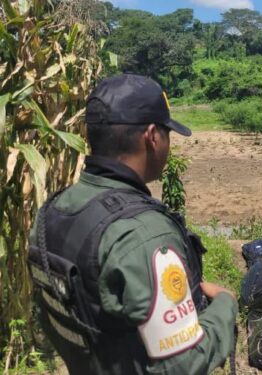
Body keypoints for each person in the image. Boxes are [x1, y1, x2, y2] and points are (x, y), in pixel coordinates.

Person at [27, 74, 237, 374]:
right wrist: (225, 307)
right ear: (152, 136)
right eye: (167, 133)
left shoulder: (53, 211)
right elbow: (182, 365)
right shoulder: (144, 234)